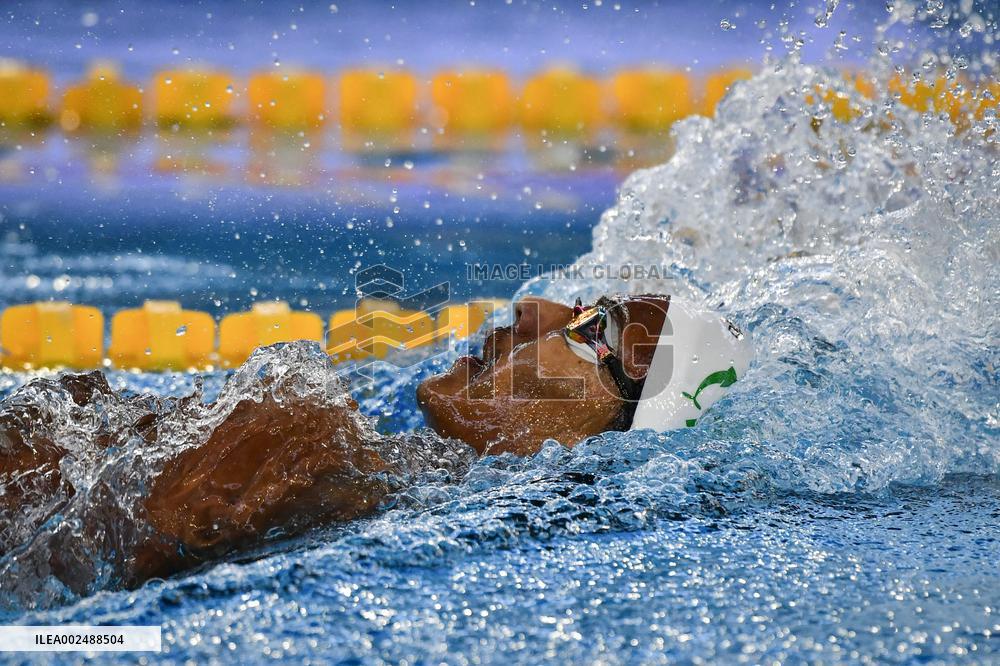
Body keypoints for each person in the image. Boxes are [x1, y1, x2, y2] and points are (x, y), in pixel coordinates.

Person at [0, 295, 749, 587]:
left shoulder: (306, 441)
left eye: (592, 330)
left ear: (611, 437)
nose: (536, 307)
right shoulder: (335, 464)